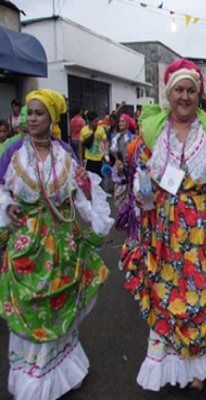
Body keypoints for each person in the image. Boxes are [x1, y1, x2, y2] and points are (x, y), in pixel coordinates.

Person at [120, 59, 206, 396]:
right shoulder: (152, 132)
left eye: (191, 90)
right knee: (165, 296)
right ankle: (168, 363)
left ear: (198, 93)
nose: (185, 96)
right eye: (179, 90)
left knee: (200, 295)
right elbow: (141, 174)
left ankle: (198, 368)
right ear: (168, 93)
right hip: (163, 231)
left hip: (203, 230)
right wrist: (141, 189)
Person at [0, 89, 113, 400]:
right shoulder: (12, 153)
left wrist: (85, 185)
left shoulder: (64, 152)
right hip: (26, 246)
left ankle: (63, 371)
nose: (32, 118)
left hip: (61, 244)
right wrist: (6, 204)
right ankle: (33, 380)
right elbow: (1, 189)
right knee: (31, 309)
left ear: (52, 118)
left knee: (57, 308)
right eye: (29, 113)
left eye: (39, 113)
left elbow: (77, 196)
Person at [111, 113, 138, 234]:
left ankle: (127, 219)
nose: (121, 123)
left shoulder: (131, 138)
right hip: (118, 168)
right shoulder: (116, 138)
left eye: (123, 121)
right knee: (118, 196)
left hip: (128, 170)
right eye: (120, 121)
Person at [80, 111, 109, 177]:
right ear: (90, 121)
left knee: (100, 178)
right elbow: (80, 146)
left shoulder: (101, 129)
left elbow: (105, 141)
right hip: (89, 159)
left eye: (97, 121)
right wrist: (81, 160)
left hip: (99, 159)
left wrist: (106, 152)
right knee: (89, 178)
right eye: (95, 121)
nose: (97, 123)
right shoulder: (84, 131)